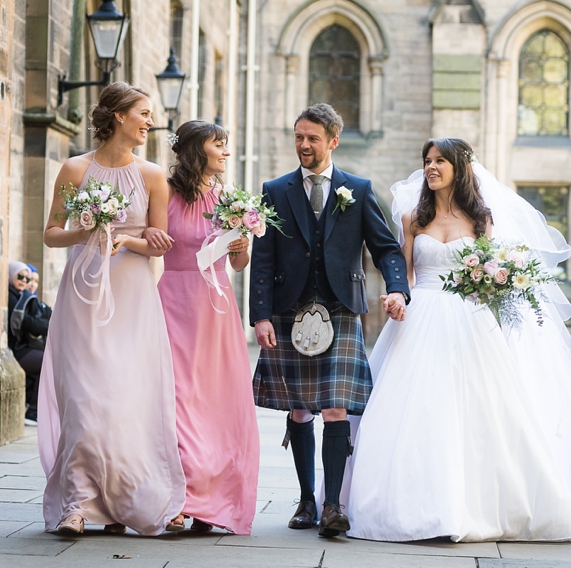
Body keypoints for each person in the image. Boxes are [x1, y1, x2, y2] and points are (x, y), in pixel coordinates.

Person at [345, 138, 571, 542]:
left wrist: (490, 284)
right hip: (419, 319)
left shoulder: (482, 219)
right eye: (427, 161)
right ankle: (417, 504)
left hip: (469, 322)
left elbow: (490, 274)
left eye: (440, 161)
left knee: (481, 411)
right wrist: (397, 295)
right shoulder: (414, 217)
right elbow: (405, 272)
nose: (431, 167)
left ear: (459, 167)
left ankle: (481, 505)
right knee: (415, 408)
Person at [250, 103, 410, 537]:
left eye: (312, 138)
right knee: (300, 410)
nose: (303, 144)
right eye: (299, 136)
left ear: (332, 141)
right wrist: (260, 316)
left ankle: (333, 505)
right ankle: (306, 500)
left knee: (337, 407)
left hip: (339, 309)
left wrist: (397, 287)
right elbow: (262, 259)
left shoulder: (356, 189)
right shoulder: (276, 189)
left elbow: (386, 248)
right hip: (289, 310)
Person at [38, 82, 186, 536]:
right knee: (84, 399)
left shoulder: (153, 175)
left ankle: (125, 501)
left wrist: (133, 239)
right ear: (119, 115)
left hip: (133, 296)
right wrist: (87, 232)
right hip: (82, 295)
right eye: (143, 112)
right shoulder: (74, 168)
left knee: (123, 401)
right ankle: (76, 504)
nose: (149, 121)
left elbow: (157, 244)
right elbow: (50, 233)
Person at [153, 120, 260, 534]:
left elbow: (237, 265)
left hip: (214, 306)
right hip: (171, 300)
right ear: (199, 149)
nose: (226, 152)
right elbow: (154, 242)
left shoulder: (228, 198)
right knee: (177, 397)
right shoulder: (165, 191)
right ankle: (178, 500)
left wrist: (241, 247)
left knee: (214, 403)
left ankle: (210, 502)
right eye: (219, 145)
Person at [8, 262, 48, 424]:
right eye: (21, 276)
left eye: (27, 277)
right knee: (46, 361)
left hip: (23, 348)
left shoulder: (21, 296)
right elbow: (26, 322)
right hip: (16, 350)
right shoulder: (10, 296)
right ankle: (32, 411)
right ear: (11, 275)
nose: (24, 281)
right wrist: (49, 326)